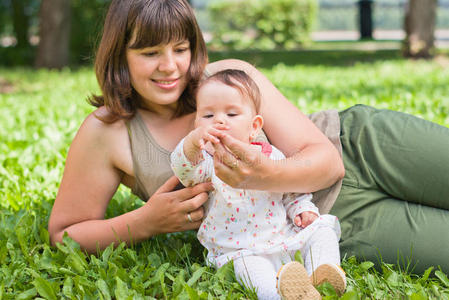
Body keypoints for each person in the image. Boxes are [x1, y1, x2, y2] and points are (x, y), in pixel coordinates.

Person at [48, 0, 449, 288]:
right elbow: (64, 234)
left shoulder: (226, 77)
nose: (169, 66)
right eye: (150, 52)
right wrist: (144, 223)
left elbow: (329, 164)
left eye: (181, 49)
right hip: (327, 224)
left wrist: (265, 174)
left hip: (361, 146)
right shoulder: (106, 132)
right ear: (120, 56)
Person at [169, 69, 346, 299]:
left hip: (284, 238)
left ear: (254, 126)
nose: (219, 120)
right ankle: (282, 293)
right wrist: (192, 143)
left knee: (322, 229)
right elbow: (184, 171)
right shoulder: (208, 165)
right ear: (197, 124)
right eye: (208, 116)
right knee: (251, 272)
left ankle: (321, 273)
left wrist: (303, 210)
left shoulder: (270, 156)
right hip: (241, 250)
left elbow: (291, 192)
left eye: (232, 114)